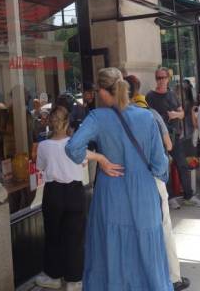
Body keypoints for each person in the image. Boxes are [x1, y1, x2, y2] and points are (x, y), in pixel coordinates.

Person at [65, 68, 171, 291]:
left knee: (111, 249)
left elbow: (73, 148)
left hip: (111, 193)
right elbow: (160, 165)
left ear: (103, 92)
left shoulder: (98, 117)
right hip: (144, 193)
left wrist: (100, 158)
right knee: (147, 250)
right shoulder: (146, 116)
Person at [125, 76, 191, 291]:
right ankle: (173, 277)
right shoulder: (151, 114)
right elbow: (169, 146)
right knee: (163, 227)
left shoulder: (117, 117)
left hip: (128, 182)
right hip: (153, 178)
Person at [34, 106, 86, 291]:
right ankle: (74, 280)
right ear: (67, 122)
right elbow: (83, 161)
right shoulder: (75, 143)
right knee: (75, 236)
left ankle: (54, 276)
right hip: (74, 191)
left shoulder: (43, 146)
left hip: (53, 192)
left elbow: (40, 166)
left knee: (53, 235)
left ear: (51, 122)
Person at [146, 68, 200, 209]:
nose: (161, 80)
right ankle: (170, 197)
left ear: (168, 78)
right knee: (163, 167)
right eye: (158, 78)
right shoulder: (150, 96)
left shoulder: (172, 94)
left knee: (182, 165)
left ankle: (189, 196)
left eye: (163, 77)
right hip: (159, 138)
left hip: (175, 136)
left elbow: (182, 113)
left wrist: (176, 115)